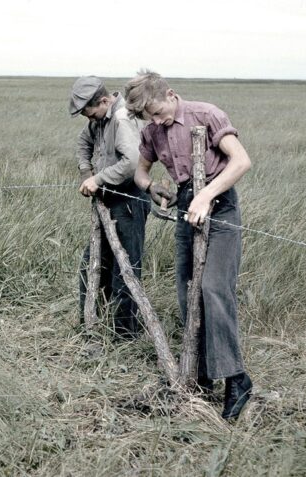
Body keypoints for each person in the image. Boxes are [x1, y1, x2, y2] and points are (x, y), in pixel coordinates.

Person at [124, 70, 253, 419]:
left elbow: (241, 161)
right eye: (147, 117)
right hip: (186, 206)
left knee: (213, 289)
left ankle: (236, 379)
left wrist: (207, 194)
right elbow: (141, 172)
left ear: (170, 93)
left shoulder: (206, 114)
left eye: (156, 110)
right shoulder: (153, 131)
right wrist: (152, 187)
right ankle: (199, 374)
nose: (155, 120)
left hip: (220, 205)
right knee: (187, 292)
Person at [69, 76, 150, 338]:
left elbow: (132, 163)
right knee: (92, 263)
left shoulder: (122, 118)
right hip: (107, 199)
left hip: (128, 200)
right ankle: (93, 323)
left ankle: (125, 334)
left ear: (104, 100)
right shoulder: (98, 120)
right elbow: (83, 143)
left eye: (89, 112)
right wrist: (86, 173)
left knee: (124, 269)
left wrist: (98, 178)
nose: (88, 119)